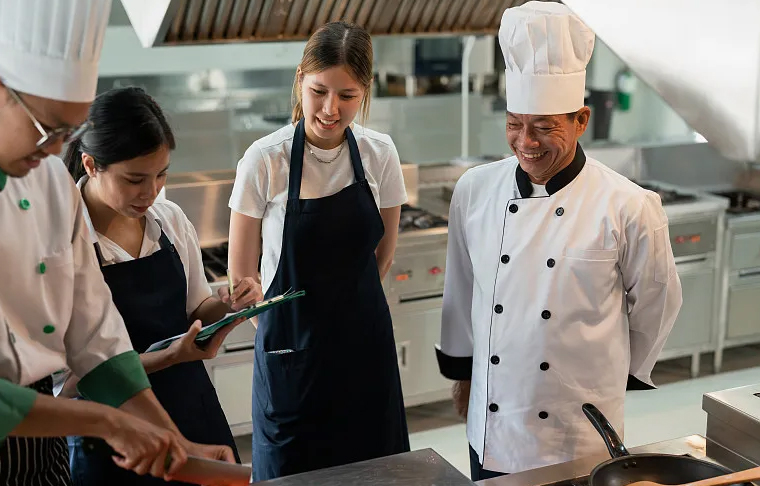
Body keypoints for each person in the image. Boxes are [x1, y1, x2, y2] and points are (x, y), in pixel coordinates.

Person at [436, 2, 683, 481]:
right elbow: (462, 292)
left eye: (544, 127)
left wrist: (612, 375)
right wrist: (463, 375)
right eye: (514, 123)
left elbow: (658, 303)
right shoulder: (475, 190)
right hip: (492, 427)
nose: (525, 141)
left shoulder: (629, 206)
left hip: (578, 427)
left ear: (581, 120)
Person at [0, 1, 234, 484]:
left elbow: (96, 337)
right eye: (48, 130)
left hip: (41, 444)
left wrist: (178, 445)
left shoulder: (48, 183)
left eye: (68, 133)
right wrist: (109, 422)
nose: (54, 151)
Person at [225, 21, 410, 481]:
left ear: (365, 92)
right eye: (319, 91)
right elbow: (241, 277)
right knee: (292, 474)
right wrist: (281, 335)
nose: (331, 109)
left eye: (347, 96)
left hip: (364, 350)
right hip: (293, 358)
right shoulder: (264, 159)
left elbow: (382, 255)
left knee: (374, 471)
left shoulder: (379, 154)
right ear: (300, 81)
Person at [60, 86, 245, 485]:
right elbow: (70, 381)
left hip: (192, 411)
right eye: (134, 179)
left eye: (162, 174)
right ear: (91, 165)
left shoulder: (170, 219)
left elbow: (197, 310)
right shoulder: (63, 239)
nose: (151, 192)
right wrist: (167, 357)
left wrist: (228, 305)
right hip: (114, 439)